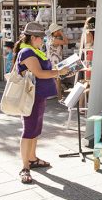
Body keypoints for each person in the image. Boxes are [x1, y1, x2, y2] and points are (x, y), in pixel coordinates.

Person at [14, 22, 69, 184]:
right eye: (41, 38)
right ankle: (25, 167)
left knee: (35, 129)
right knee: (28, 130)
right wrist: (59, 72)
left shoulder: (34, 50)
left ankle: (32, 158)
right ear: (33, 38)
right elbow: (39, 73)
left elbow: (43, 70)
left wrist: (59, 69)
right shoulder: (27, 52)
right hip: (31, 97)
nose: (43, 40)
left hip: (38, 97)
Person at [46, 23, 69, 99]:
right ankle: (59, 96)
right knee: (58, 79)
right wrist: (62, 33)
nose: (59, 31)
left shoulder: (49, 39)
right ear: (55, 31)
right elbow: (66, 42)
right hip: (56, 61)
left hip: (52, 60)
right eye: (58, 30)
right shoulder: (55, 40)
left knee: (55, 79)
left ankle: (58, 95)